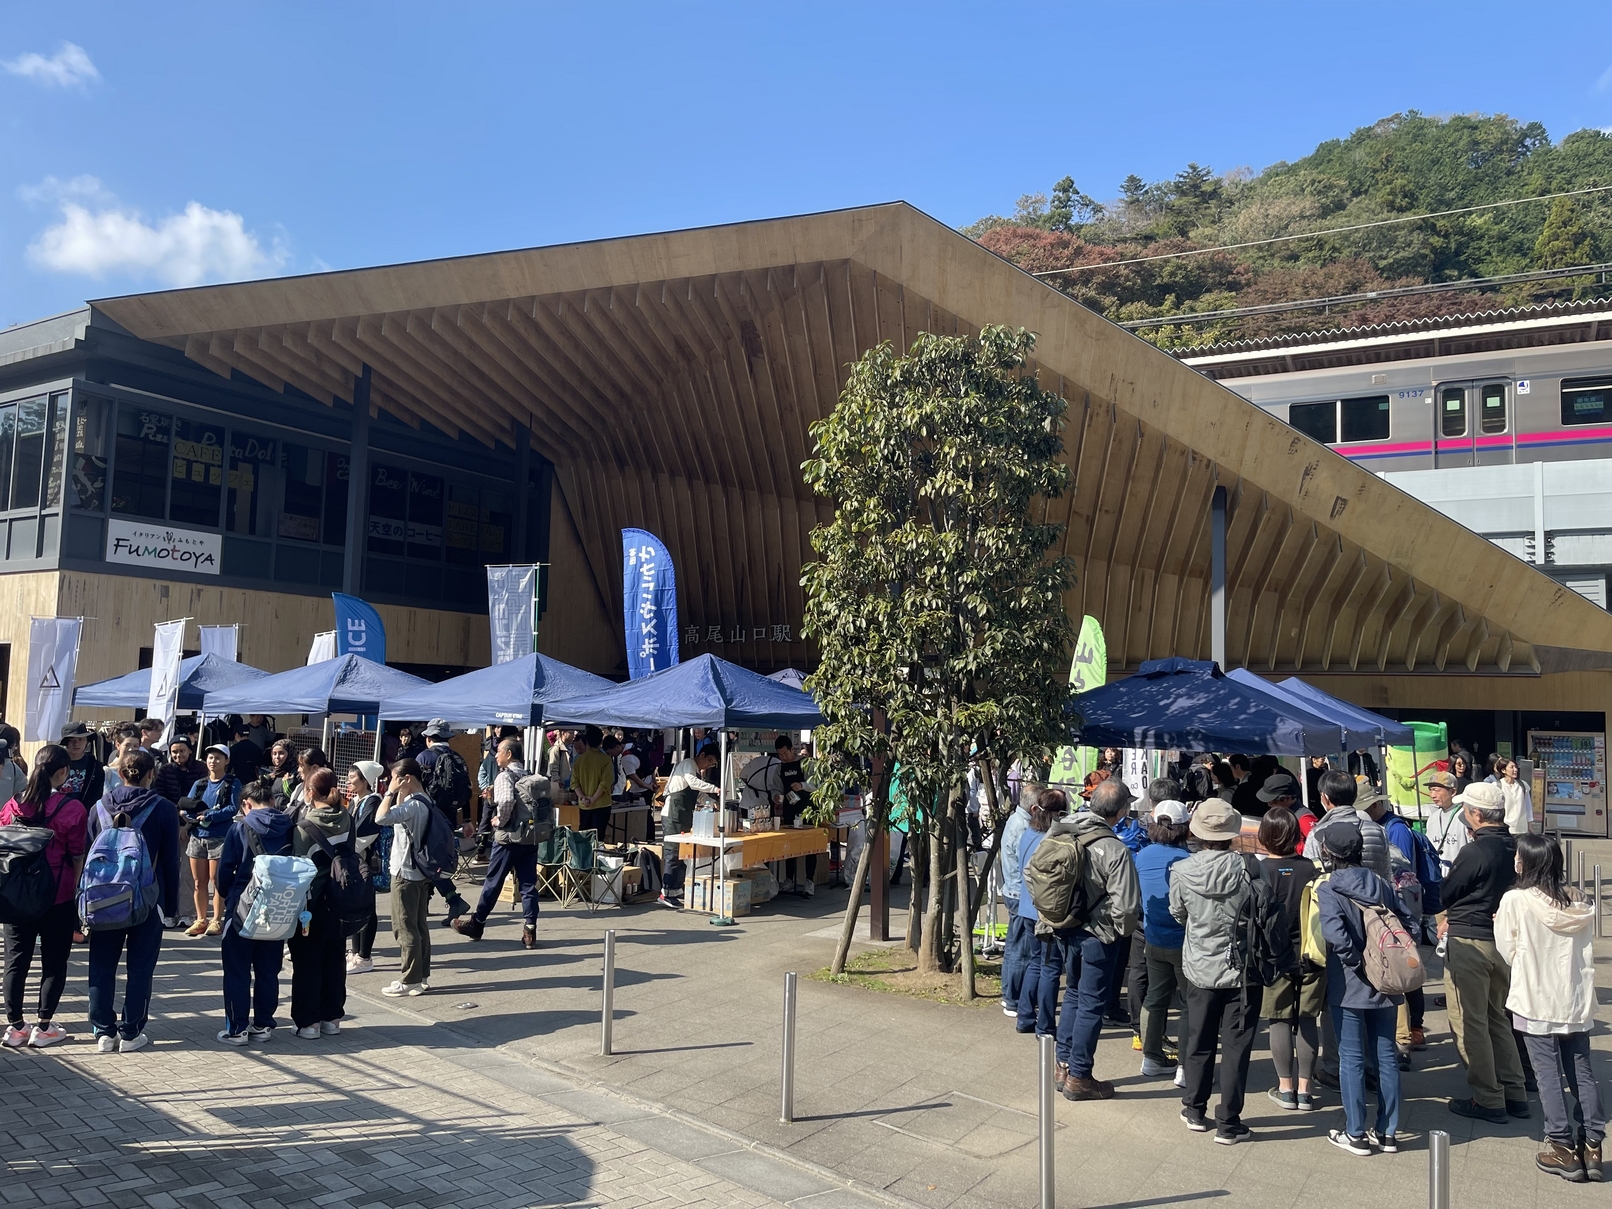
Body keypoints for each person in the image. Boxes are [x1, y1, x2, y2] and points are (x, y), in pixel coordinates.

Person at [1496, 833, 1603, 1182]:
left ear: (1525, 862)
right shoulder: (1578, 901)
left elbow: (1507, 949)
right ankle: (1592, 1145)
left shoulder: (1516, 899)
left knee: (1547, 1073)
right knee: (1581, 1070)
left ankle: (1561, 1145)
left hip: (1534, 996)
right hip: (1574, 998)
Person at [1318, 817, 1412, 1156]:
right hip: (1386, 981)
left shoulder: (1329, 889)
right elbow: (1406, 920)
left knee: (1352, 1058)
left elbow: (1334, 935)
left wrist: (1357, 962)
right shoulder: (1380, 883)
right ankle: (1387, 1132)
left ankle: (1355, 1132)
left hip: (1350, 983)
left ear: (1329, 853)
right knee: (1385, 1056)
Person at [1170, 798, 1259, 1144]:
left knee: (1199, 1039)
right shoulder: (1250, 869)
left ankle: (1194, 1107)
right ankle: (1229, 1120)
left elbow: (1178, 913)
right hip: (1244, 969)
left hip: (1200, 964)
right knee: (1237, 1045)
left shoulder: (1181, 870)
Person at [1440, 781, 1528, 1124]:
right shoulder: (1516, 846)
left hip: (1470, 940)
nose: (1464, 814)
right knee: (1498, 1019)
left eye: (1466, 809)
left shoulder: (1475, 851)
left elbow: (1447, 892)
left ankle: (1488, 1096)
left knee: (1470, 1021)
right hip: (1502, 943)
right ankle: (1514, 1090)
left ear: (1476, 814)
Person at [1048, 778, 1141, 1101]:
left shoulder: (1063, 829)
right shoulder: (1114, 848)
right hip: (1098, 935)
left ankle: (1062, 1064)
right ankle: (1080, 1075)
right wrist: (1121, 932)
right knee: (1091, 1003)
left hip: (1064, 925)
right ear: (1121, 810)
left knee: (1073, 993)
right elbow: (1127, 906)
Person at [86, 750, 181, 1053]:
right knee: (140, 967)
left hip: (102, 899)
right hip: (146, 900)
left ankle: (103, 1031)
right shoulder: (163, 808)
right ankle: (130, 1032)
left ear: (121, 774)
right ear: (151, 774)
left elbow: (88, 857)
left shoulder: (98, 808)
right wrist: (171, 906)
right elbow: (170, 861)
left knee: (102, 965)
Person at [1, 744, 88, 1049]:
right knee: (54, 962)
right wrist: (76, 889)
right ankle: (44, 1026)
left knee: (15, 961)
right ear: (63, 772)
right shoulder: (72, 808)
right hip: (57, 893)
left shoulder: (13, 805)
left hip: (15, 894)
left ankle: (15, 1028)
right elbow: (77, 853)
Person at [214, 778, 295, 1043]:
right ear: (272, 801)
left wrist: (228, 895)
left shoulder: (239, 828)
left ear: (246, 804)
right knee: (268, 969)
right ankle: (263, 1025)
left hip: (243, 906)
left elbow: (225, 871)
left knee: (237, 969)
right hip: (278, 905)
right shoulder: (290, 826)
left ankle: (236, 1028)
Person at [1259, 806, 1324, 1112]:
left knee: (1279, 1020)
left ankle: (1286, 1089)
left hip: (1275, 957)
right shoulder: (1311, 868)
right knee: (1308, 1019)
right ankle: (1306, 1089)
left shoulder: (1261, 871)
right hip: (1312, 953)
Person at [454, 739, 541, 949]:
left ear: (509, 754)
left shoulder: (504, 776)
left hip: (508, 838)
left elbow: (508, 802)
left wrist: (497, 820)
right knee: (528, 885)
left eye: (499, 751)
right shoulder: (529, 775)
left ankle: (478, 922)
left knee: (493, 881)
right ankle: (530, 929)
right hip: (529, 837)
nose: (495, 755)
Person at [289, 767, 354, 1039]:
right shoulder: (347, 818)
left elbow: (298, 869)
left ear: (310, 792)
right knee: (335, 959)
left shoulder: (305, 827)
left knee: (307, 962)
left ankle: (309, 1023)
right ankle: (332, 1019)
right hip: (341, 901)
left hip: (311, 905)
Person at [1370, 787, 1431, 1056]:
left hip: (1397, 909)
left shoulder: (1394, 830)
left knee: (1402, 975)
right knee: (1407, 970)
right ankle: (1411, 1033)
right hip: (1401, 910)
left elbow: (1404, 867)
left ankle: (1408, 1035)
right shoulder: (1385, 828)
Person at [1135, 800, 1191, 1082]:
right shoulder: (1189, 860)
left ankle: (1151, 1056)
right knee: (1189, 1003)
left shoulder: (1142, 856)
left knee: (1155, 997)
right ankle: (1185, 1065)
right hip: (1184, 943)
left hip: (1153, 937)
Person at [376, 758, 436, 996]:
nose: (391, 783)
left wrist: (389, 793)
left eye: (395, 778)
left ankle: (409, 978)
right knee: (419, 924)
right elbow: (400, 820)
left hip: (405, 871)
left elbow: (381, 818)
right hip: (420, 871)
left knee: (404, 926)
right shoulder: (424, 800)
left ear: (406, 779)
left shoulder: (413, 806)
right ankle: (421, 976)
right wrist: (399, 793)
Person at [1015, 788, 1067, 1040]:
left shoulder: (1027, 833)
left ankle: (1025, 1015)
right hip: (1043, 913)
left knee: (1035, 963)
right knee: (1050, 969)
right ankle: (1045, 1025)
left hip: (1026, 908)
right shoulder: (1050, 840)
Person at [178, 743, 243, 938]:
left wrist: (210, 815)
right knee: (199, 882)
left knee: (216, 881)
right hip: (198, 836)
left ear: (226, 761)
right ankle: (200, 919)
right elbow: (188, 803)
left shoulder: (232, 783)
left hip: (220, 837)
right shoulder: (200, 784)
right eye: (210, 757)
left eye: (218, 758)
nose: (213, 761)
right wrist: (185, 814)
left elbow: (233, 808)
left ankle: (216, 919)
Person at [658, 747, 721, 909]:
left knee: (682, 853)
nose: (709, 766)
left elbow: (698, 794)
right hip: (672, 814)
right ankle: (666, 892)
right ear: (702, 755)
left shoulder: (696, 772)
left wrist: (711, 801)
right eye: (709, 761)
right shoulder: (688, 764)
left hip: (684, 816)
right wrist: (714, 789)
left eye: (712, 764)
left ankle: (676, 889)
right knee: (672, 852)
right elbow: (693, 784)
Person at [1302, 771, 1389, 882]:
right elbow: (1387, 873)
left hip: (1334, 898)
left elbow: (1310, 876)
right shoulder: (1378, 830)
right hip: (1378, 896)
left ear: (1325, 798)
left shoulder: (1317, 834)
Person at [345, 760, 387, 974]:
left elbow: (365, 832)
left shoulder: (372, 801)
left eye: (353, 777)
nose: (348, 781)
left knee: (368, 908)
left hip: (365, 861)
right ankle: (354, 952)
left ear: (365, 780)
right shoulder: (355, 801)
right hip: (355, 859)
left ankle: (365, 956)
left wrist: (346, 844)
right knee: (356, 907)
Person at [998, 788, 1034, 1017]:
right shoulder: (1023, 827)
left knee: (1015, 945)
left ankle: (1010, 995)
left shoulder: (1016, 819)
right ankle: (1012, 998)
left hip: (1013, 890)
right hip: (1019, 892)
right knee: (1020, 948)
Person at [776, 736, 819, 895]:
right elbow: (776, 786)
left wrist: (802, 785)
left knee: (810, 846)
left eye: (785, 753)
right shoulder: (779, 768)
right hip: (789, 810)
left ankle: (809, 881)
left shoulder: (806, 763)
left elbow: (818, 784)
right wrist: (776, 796)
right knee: (790, 845)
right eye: (780, 755)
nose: (783, 757)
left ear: (792, 749)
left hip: (808, 808)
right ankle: (788, 879)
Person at [570, 725, 615, 836]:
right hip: (602, 804)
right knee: (598, 839)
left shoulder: (579, 760)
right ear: (601, 741)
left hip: (584, 805)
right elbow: (606, 782)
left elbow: (574, 782)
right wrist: (593, 798)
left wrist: (582, 797)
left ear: (587, 742)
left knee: (584, 836)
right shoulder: (606, 759)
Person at [1423, 770, 1467, 877]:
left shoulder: (1465, 815)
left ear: (1453, 792)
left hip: (1460, 874)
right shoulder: (1433, 817)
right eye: (1431, 790)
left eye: (1437, 790)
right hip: (1438, 875)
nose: (1433, 795)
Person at [60, 720, 107, 811]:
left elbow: (97, 795)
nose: (76, 744)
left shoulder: (95, 766)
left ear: (87, 741)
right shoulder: (55, 763)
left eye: (80, 739)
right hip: (57, 814)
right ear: (64, 742)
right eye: (71, 740)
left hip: (84, 814)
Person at [152, 735, 204, 805]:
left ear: (190, 750)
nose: (178, 755)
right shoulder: (165, 770)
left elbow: (202, 792)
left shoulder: (201, 768)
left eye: (182, 751)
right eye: (174, 752)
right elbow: (160, 793)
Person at [1491, 758, 1533, 836]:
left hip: (1521, 828)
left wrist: (1529, 825)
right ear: (1503, 770)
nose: (1515, 769)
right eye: (1512, 767)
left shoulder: (1523, 785)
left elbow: (1528, 806)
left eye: (1516, 767)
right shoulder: (1497, 786)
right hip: (1504, 828)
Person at [265, 739, 300, 808]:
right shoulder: (274, 774)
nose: (277, 757)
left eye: (281, 753)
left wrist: (287, 783)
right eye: (274, 753)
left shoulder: (297, 774)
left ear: (290, 754)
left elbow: (296, 799)